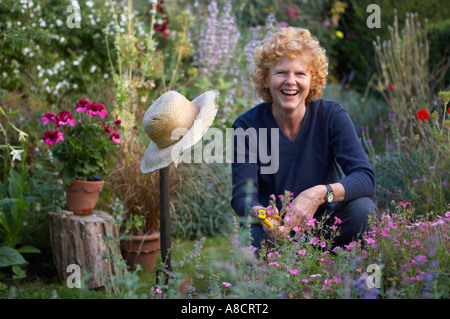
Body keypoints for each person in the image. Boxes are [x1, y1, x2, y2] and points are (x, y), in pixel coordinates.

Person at [231, 27, 377, 251]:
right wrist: (263, 215)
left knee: (363, 210)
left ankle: (339, 269)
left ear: (312, 79)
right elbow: (242, 195)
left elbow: (365, 178)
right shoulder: (247, 125)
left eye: (300, 73)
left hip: (328, 228)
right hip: (276, 231)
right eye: (281, 73)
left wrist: (318, 194)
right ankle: (283, 276)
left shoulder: (331, 116)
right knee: (251, 237)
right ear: (266, 78)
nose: (291, 81)